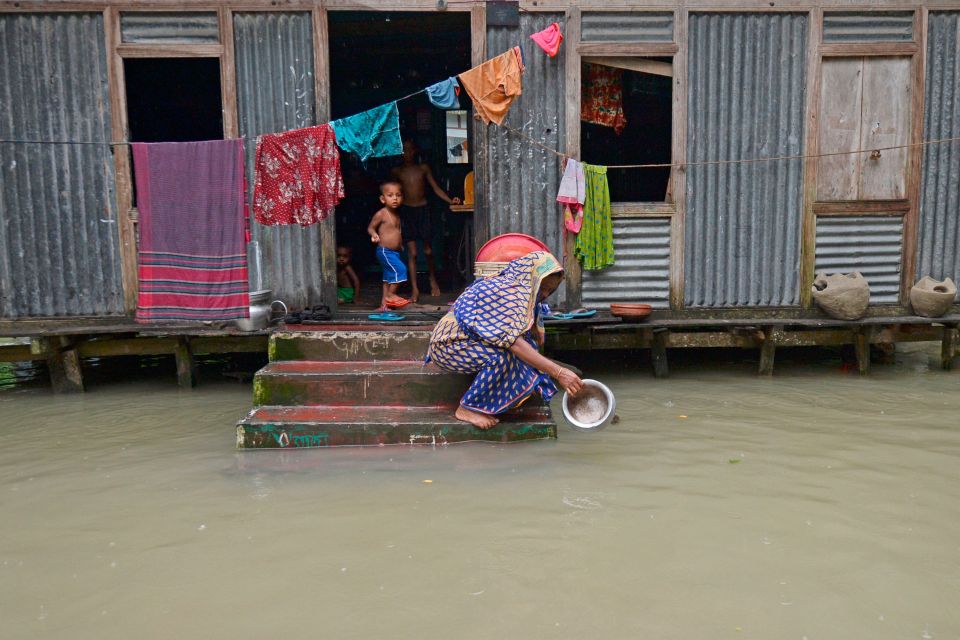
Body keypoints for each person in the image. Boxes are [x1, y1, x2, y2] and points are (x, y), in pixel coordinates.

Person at [426, 251, 584, 429]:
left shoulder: (521, 288)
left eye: (551, 290)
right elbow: (514, 343)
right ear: (533, 280)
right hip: (449, 346)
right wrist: (559, 372)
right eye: (544, 288)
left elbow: (527, 335)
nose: (546, 294)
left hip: (470, 340)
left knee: (526, 350)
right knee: (503, 357)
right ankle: (467, 408)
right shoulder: (510, 293)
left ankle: (498, 400)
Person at [392, 139, 461, 301]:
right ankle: (414, 289)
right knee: (413, 253)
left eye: (409, 150)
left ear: (415, 151)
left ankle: (432, 278)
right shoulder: (397, 171)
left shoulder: (422, 168)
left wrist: (450, 200)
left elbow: (435, 188)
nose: (407, 153)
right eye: (404, 150)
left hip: (422, 211)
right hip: (407, 212)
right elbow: (392, 193)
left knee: (428, 251)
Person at [367, 180, 409, 310]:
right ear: (382, 199)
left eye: (398, 195)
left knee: (387, 279)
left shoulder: (397, 215)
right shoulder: (382, 213)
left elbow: (396, 232)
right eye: (390, 195)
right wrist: (374, 234)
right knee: (401, 270)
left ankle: (383, 306)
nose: (395, 198)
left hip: (394, 252)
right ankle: (391, 295)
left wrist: (400, 245)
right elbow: (370, 227)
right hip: (385, 251)